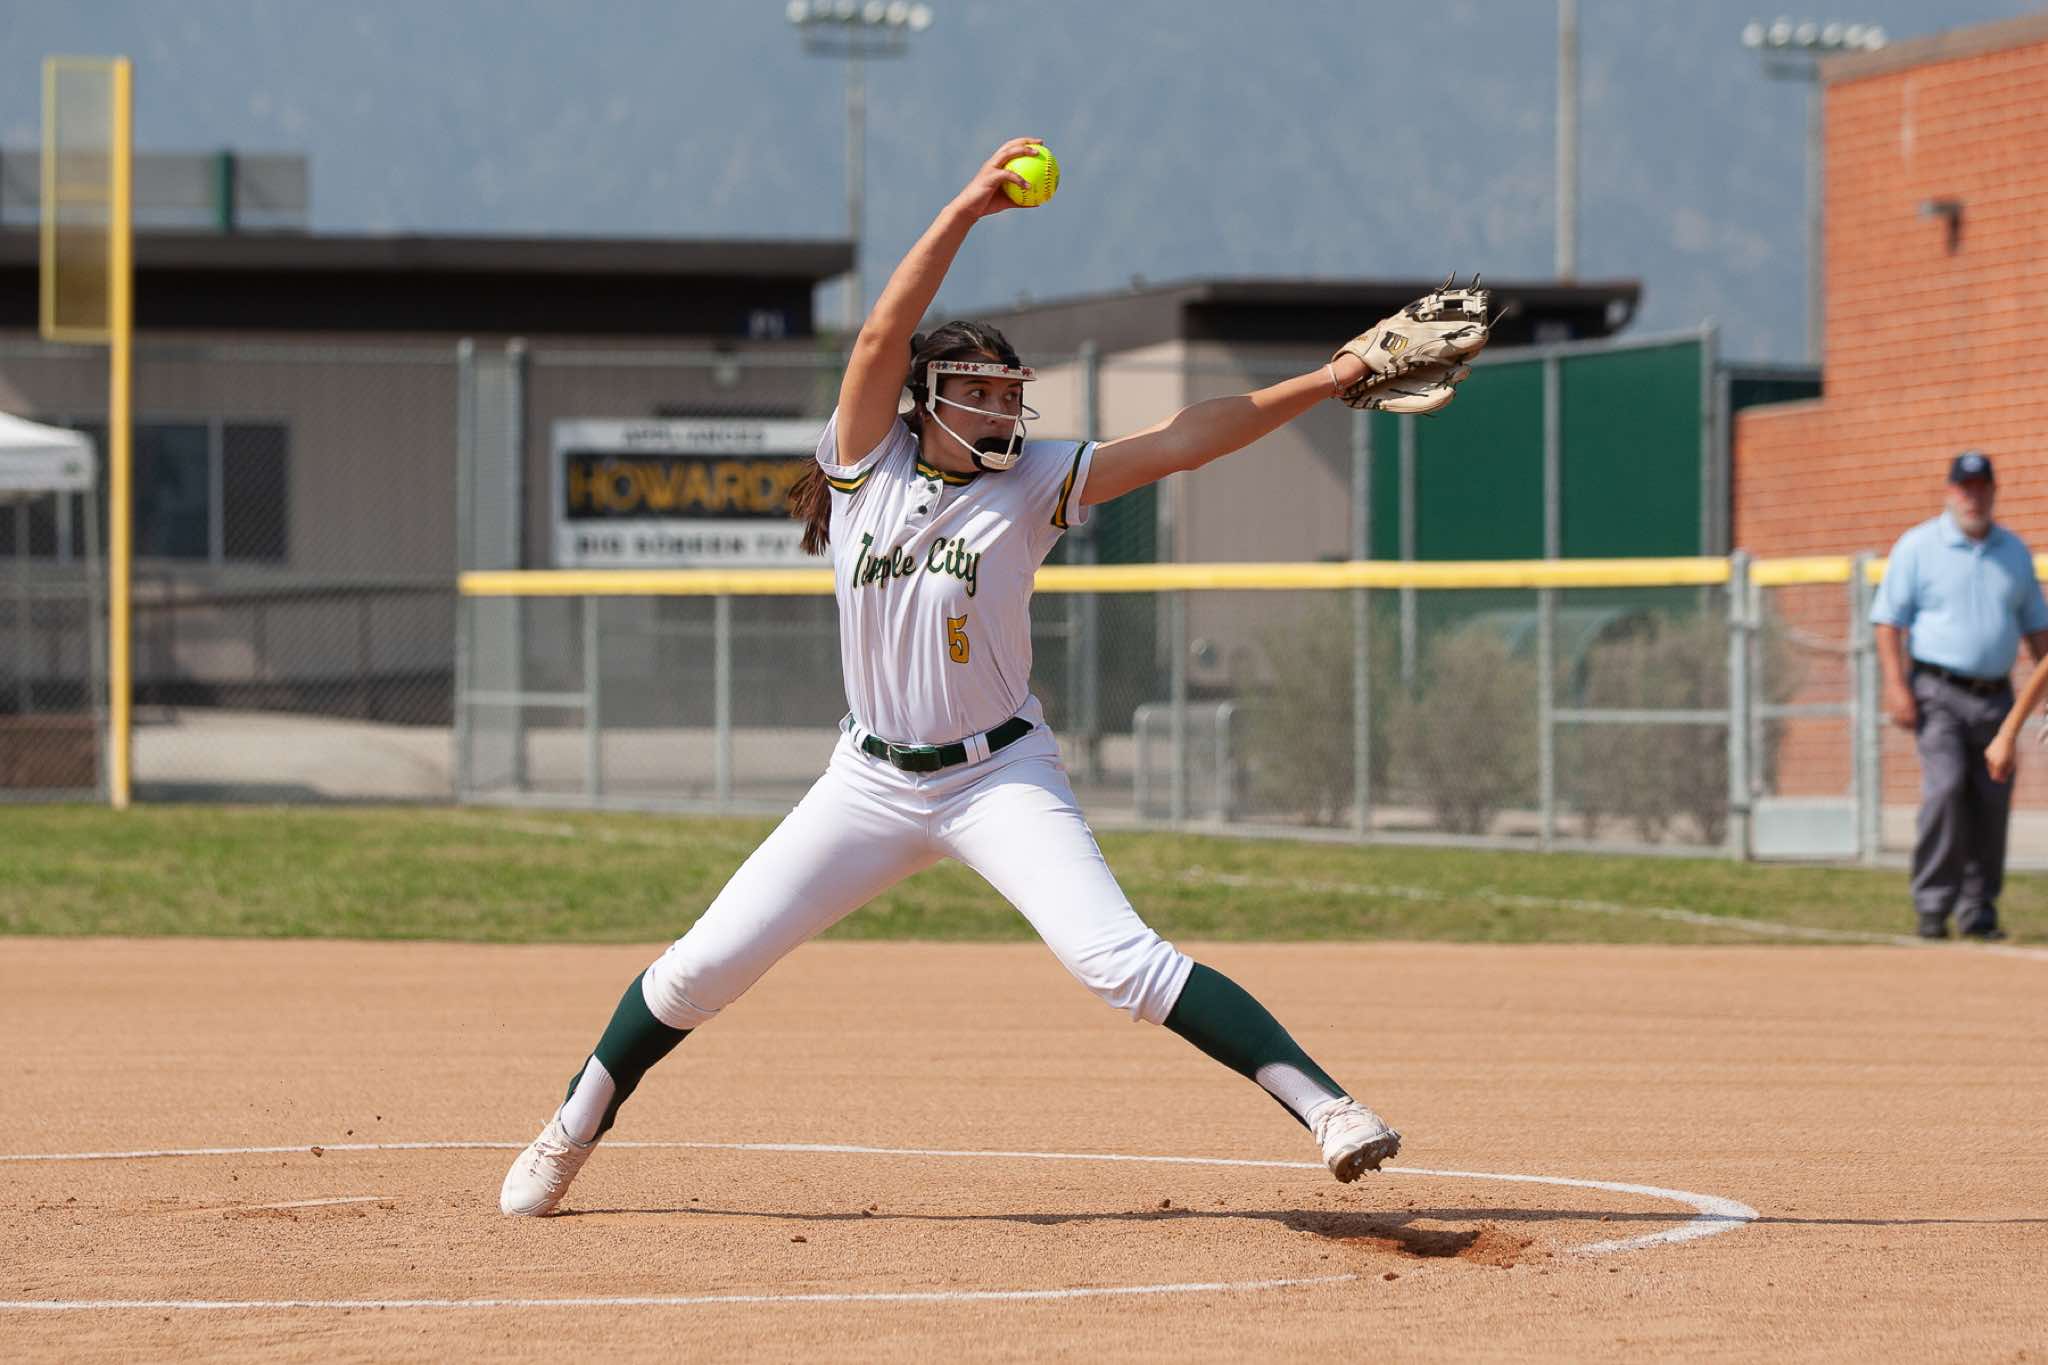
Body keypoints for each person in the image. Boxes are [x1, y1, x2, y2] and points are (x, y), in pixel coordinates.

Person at [500, 139, 1481, 1216]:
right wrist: (965, 209)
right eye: (976, 393)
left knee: (1120, 962)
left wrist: (1333, 377)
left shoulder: (1036, 481)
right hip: (868, 784)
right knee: (699, 971)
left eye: (1008, 394)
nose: (1002, 411)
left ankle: (1331, 1110)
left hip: (998, 777)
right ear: (922, 402)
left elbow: (1186, 441)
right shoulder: (862, 461)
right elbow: (879, 333)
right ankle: (566, 1132)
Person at [1871, 450, 2048, 942]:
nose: (1974, 496)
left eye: (1982, 487)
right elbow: (1887, 621)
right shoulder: (1918, 546)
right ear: (1950, 492)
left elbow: (2039, 631)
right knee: (1946, 788)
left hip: (1996, 695)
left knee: (1992, 799)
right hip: (1937, 690)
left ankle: (1979, 908)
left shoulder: (2013, 552)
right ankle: (1932, 904)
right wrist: (1896, 685)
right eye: (1965, 487)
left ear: (1994, 491)